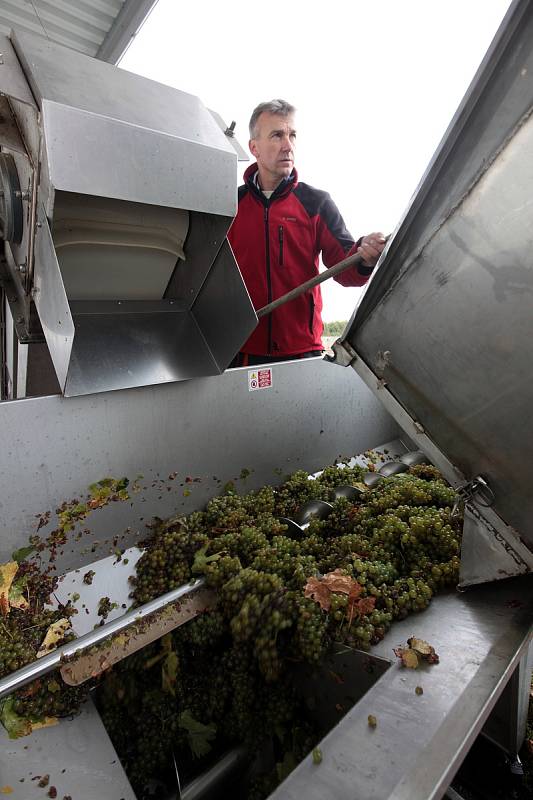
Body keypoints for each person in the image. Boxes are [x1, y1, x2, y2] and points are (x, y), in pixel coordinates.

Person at [227, 99, 386, 367]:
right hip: (240, 351)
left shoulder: (316, 203)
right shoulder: (228, 206)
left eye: (292, 135)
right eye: (277, 135)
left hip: (301, 350)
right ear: (254, 147)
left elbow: (344, 268)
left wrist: (364, 257)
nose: (288, 145)